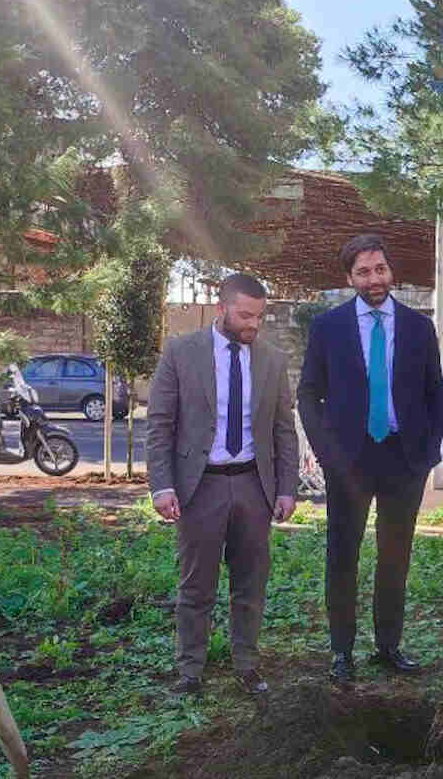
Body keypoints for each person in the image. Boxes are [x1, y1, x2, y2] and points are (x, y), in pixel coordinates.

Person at [297, 234, 443, 679]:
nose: (374, 279)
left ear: (390, 271)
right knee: (343, 555)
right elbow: (308, 395)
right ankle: (342, 652)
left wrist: (428, 451)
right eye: (363, 272)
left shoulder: (419, 328)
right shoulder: (327, 328)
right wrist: (327, 454)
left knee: (395, 555)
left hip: (404, 459)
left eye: (380, 269)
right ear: (349, 278)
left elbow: (435, 393)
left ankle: (388, 646)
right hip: (349, 461)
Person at [147, 273, 299, 696]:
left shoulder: (272, 359)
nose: (254, 324)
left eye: (259, 316)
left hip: (254, 485)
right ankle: (190, 671)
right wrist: (162, 485)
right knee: (196, 585)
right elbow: (159, 425)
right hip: (200, 487)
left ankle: (246, 664)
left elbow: (284, 429)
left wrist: (287, 487)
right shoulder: (181, 353)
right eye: (245, 315)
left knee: (251, 583)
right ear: (221, 308)